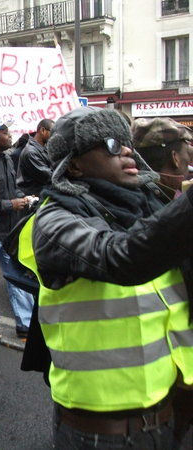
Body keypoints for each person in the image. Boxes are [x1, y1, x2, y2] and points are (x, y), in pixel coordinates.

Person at [16, 107, 193, 448]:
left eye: (127, 143)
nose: (126, 151)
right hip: (99, 433)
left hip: (170, 413)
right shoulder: (54, 220)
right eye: (111, 144)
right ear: (75, 163)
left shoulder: (149, 203)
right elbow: (121, 257)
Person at [131, 117, 193, 446]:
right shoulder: (153, 209)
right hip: (167, 374)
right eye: (188, 151)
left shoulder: (136, 199)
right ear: (174, 157)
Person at [0, 118, 35, 340]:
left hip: (10, 231)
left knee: (17, 276)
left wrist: (25, 198)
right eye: (4, 132)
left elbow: (14, 190)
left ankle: (25, 323)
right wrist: (12, 204)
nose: (9, 135)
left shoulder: (8, 160)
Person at [133, 117, 193, 202]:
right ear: (175, 158)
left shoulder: (131, 192)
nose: (189, 162)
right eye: (188, 154)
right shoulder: (159, 204)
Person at [17, 119, 54, 196]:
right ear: (43, 130)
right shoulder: (31, 152)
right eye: (53, 132)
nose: (54, 136)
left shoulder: (45, 147)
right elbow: (49, 176)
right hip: (35, 197)